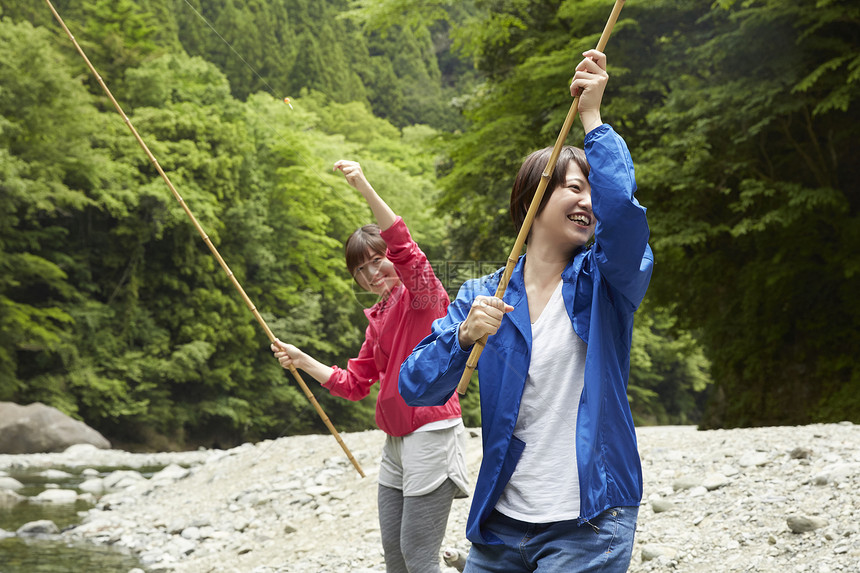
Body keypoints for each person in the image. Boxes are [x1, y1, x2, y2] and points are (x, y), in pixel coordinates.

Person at [398, 49, 653, 572]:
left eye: (592, 190)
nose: (589, 202)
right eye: (574, 188)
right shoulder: (481, 296)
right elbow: (414, 386)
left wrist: (593, 119)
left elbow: (624, 217)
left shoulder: (606, 280)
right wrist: (462, 337)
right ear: (532, 203)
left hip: (590, 521)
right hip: (499, 529)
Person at [271, 160, 469, 573]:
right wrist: (303, 360)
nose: (370, 272)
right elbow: (354, 383)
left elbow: (405, 247)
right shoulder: (378, 316)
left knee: (419, 558)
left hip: (431, 431)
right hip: (395, 441)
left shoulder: (422, 294)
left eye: (377, 260)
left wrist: (363, 186)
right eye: (359, 269)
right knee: (395, 559)